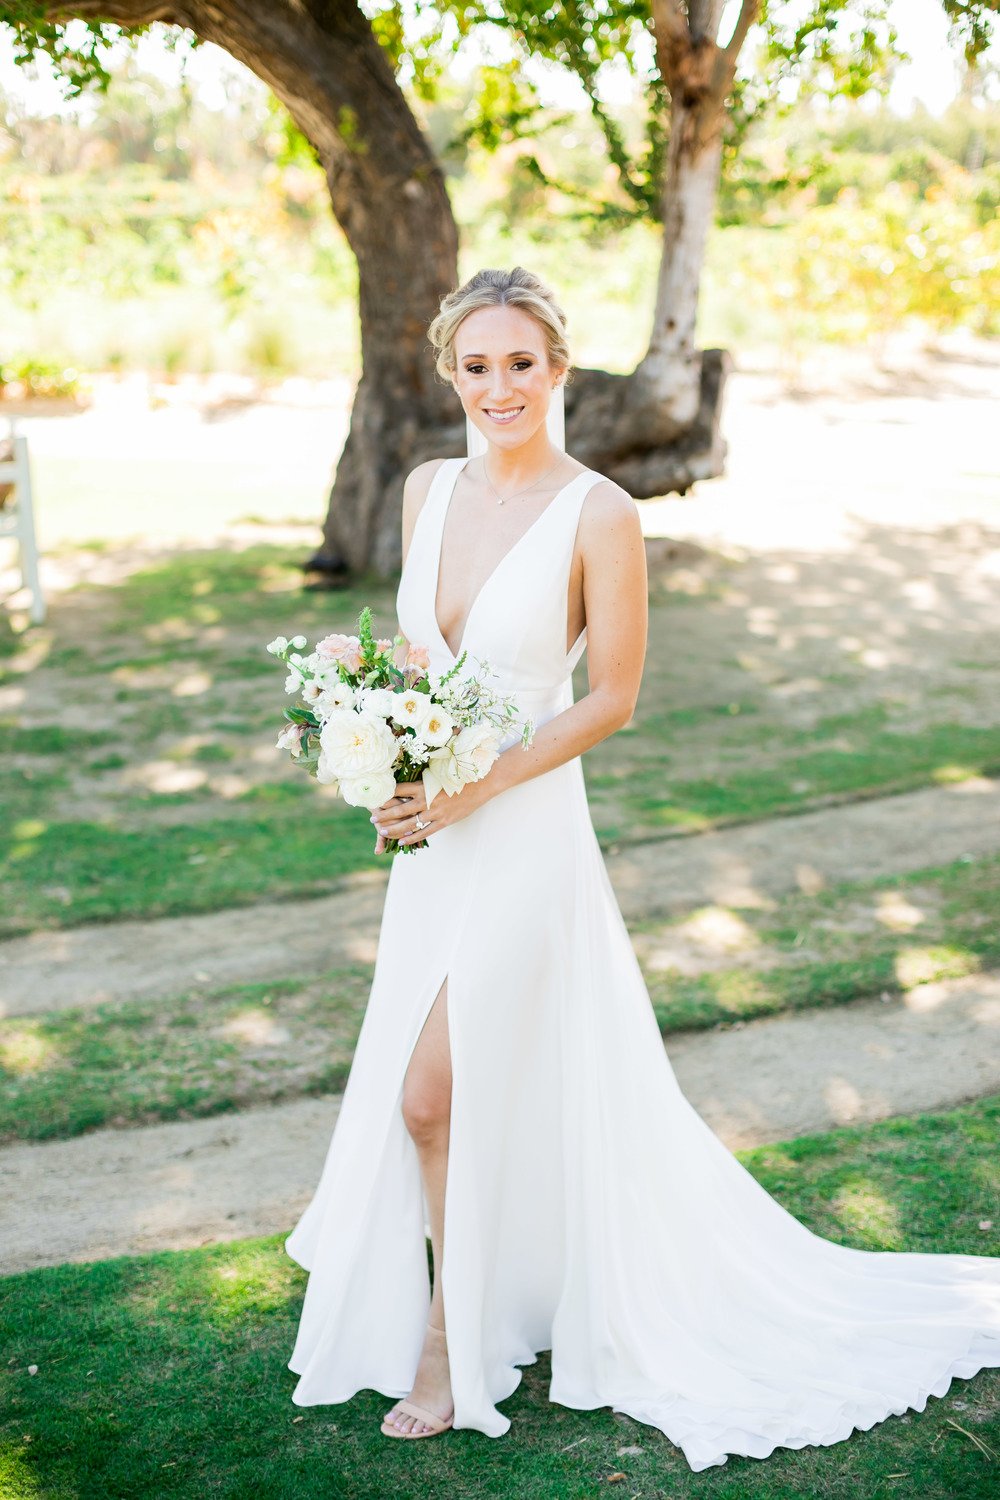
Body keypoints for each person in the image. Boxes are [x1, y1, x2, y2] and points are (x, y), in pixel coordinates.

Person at [285, 267, 1000, 1471]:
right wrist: (391, 764)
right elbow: (418, 653)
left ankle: (453, 1346)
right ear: (448, 372)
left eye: (520, 363)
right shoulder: (424, 490)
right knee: (457, 1093)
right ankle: (491, 1305)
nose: (497, 386)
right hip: (438, 837)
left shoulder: (599, 513)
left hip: (523, 830)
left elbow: (609, 698)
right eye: (475, 366)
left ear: (558, 367)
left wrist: (479, 781)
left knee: (428, 1092)